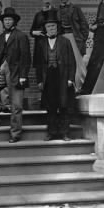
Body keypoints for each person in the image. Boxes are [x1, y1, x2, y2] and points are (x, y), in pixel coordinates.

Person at [0, 7, 31, 143]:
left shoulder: (21, 36)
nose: (7, 22)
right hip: (2, 70)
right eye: (6, 20)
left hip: (16, 73)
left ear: (14, 22)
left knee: (16, 106)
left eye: (10, 20)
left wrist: (23, 76)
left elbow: (26, 58)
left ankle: (15, 133)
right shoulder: (1, 37)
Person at [35, 11, 76, 141]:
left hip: (62, 76)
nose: (51, 28)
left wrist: (71, 78)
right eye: (48, 26)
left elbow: (72, 61)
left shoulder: (65, 41)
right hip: (48, 77)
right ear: (45, 29)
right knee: (50, 107)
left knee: (64, 106)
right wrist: (40, 81)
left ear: (57, 27)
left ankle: (64, 133)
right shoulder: (41, 43)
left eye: (53, 26)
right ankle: (52, 132)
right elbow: (38, 64)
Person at [55, 0, 89, 90]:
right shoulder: (56, 11)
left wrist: (82, 38)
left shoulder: (76, 9)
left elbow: (84, 24)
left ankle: (80, 87)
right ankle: (67, 87)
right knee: (65, 62)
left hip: (75, 38)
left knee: (78, 63)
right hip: (62, 38)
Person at [30, 0, 58, 69]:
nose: (47, 1)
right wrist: (34, 32)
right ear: (42, 1)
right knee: (41, 66)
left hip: (53, 42)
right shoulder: (38, 14)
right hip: (40, 42)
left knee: (53, 64)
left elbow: (59, 27)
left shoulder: (56, 12)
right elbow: (31, 31)